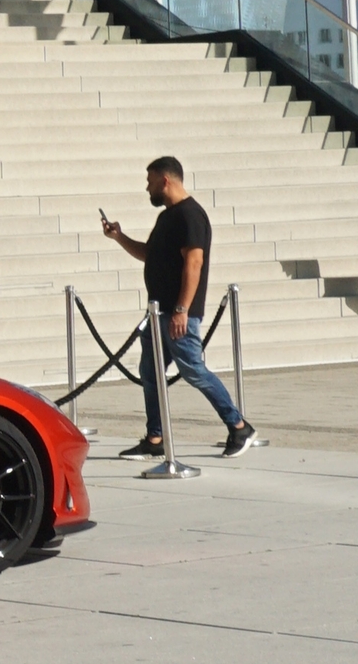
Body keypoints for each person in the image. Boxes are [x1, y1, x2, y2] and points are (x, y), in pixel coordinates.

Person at [100, 156, 256, 459]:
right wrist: (118, 237)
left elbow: (194, 263)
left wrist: (182, 309)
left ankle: (238, 426)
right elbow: (149, 254)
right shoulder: (168, 217)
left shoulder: (190, 216)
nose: (147, 188)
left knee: (194, 370)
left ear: (165, 180)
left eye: (150, 181)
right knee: (150, 372)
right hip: (158, 313)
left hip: (177, 314)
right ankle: (155, 439)